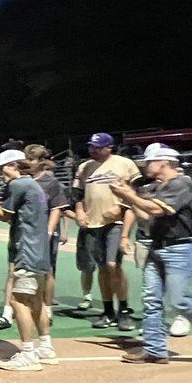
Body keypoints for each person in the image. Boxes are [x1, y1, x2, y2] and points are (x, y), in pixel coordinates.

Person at [111, 143, 192, 364]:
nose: (146, 166)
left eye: (149, 162)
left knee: (179, 300)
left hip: (180, 248)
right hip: (158, 246)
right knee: (151, 300)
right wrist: (127, 197)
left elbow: (158, 209)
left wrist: (129, 194)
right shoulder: (161, 186)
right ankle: (155, 349)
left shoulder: (181, 183)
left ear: (163, 162)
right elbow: (147, 217)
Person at [0, 150, 56, 370]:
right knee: (36, 301)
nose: (1, 175)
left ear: (13, 166)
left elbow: (5, 215)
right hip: (40, 250)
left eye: (3, 169)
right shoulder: (34, 185)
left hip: (26, 251)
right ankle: (45, 346)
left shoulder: (18, 185)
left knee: (18, 301)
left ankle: (28, 353)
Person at [73, 132, 140, 331]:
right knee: (102, 267)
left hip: (116, 223)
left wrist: (121, 207)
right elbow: (77, 193)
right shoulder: (84, 167)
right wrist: (79, 210)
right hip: (93, 223)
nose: (93, 150)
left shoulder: (124, 164)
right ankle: (108, 310)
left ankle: (124, 310)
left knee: (113, 264)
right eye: (91, 147)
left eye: (98, 147)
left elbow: (136, 192)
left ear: (109, 147)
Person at [25, 144, 69, 320]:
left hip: (46, 233)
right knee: (24, 269)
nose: (27, 163)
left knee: (47, 270)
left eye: (31, 160)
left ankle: (47, 306)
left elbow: (57, 208)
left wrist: (49, 231)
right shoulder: (23, 180)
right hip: (27, 231)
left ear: (41, 161)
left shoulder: (51, 182)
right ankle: (27, 303)